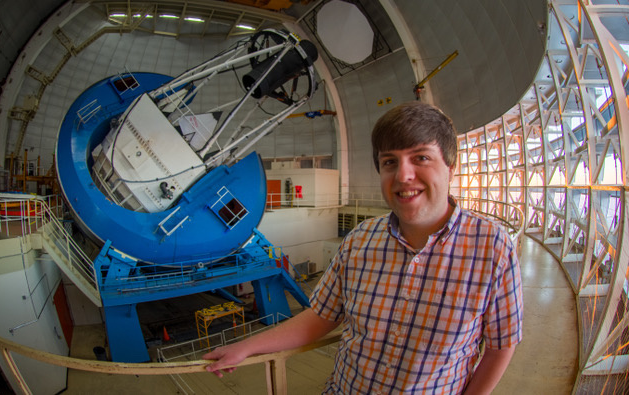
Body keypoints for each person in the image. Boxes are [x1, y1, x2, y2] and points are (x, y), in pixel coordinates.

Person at [204, 101, 523, 394]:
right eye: (389, 162)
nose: (403, 175)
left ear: (451, 167)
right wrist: (247, 347)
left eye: (421, 158)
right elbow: (320, 317)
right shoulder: (360, 241)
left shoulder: (492, 248)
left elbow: (500, 347)